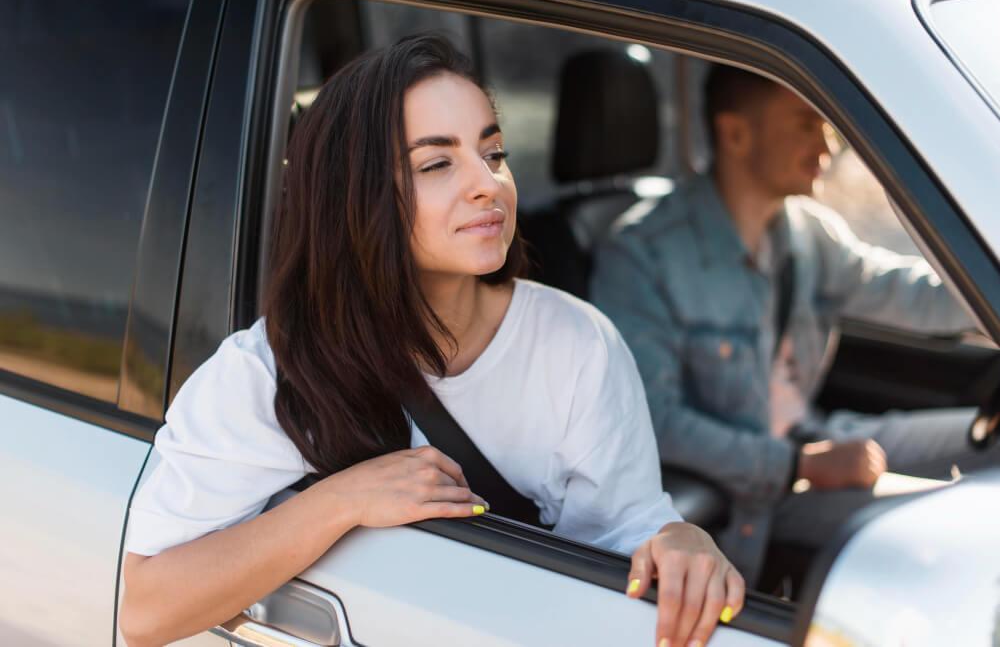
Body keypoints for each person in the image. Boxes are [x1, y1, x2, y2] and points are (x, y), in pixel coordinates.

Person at [118, 35, 744, 647]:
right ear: (356, 197)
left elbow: (626, 532)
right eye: (437, 163)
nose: (487, 184)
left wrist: (679, 540)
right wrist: (339, 501)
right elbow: (146, 610)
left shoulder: (578, 342)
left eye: (492, 154)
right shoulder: (271, 375)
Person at [590, 64, 990, 584]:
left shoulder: (808, 231)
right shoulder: (641, 253)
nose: (826, 147)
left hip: (820, 437)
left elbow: (918, 297)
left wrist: (968, 243)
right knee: (952, 525)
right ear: (735, 133)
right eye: (806, 124)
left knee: (990, 441)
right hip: (757, 495)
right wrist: (797, 465)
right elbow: (655, 423)